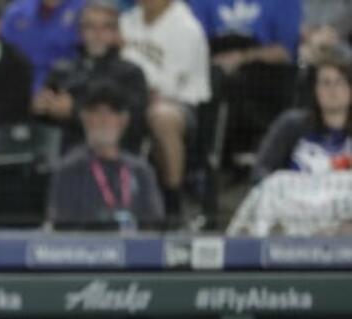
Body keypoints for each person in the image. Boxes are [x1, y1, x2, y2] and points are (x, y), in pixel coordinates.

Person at [119, 0, 211, 222]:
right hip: (131, 99)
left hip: (180, 104)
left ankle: (172, 200)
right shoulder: (126, 21)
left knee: (161, 117)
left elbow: (168, 87)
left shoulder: (186, 27)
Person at [189, 0, 301, 160]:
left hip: (265, 72)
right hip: (213, 63)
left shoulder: (284, 3)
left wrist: (243, 57)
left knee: (235, 83)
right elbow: (194, 39)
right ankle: (203, 158)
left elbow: (285, 51)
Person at [34, 0, 149, 154]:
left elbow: (133, 124)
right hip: (66, 160)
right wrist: (42, 108)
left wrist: (74, 112)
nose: (97, 34)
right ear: (80, 33)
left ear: (116, 33)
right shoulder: (62, 71)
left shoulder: (130, 73)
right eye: (90, 27)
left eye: (105, 27)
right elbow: (44, 117)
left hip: (116, 160)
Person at [46, 82, 163, 231]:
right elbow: (61, 225)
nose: (104, 120)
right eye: (97, 113)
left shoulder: (141, 171)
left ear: (123, 121)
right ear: (85, 118)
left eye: (111, 113)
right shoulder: (69, 169)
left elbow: (154, 224)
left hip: (135, 248)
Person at [252, 54, 351, 182]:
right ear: (315, 90)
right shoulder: (291, 125)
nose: (333, 90)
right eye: (325, 82)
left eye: (340, 82)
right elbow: (260, 171)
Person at [0, 0, 86, 92]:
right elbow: (2, 55)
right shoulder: (17, 12)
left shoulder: (83, 8)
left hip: (70, 87)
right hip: (21, 88)